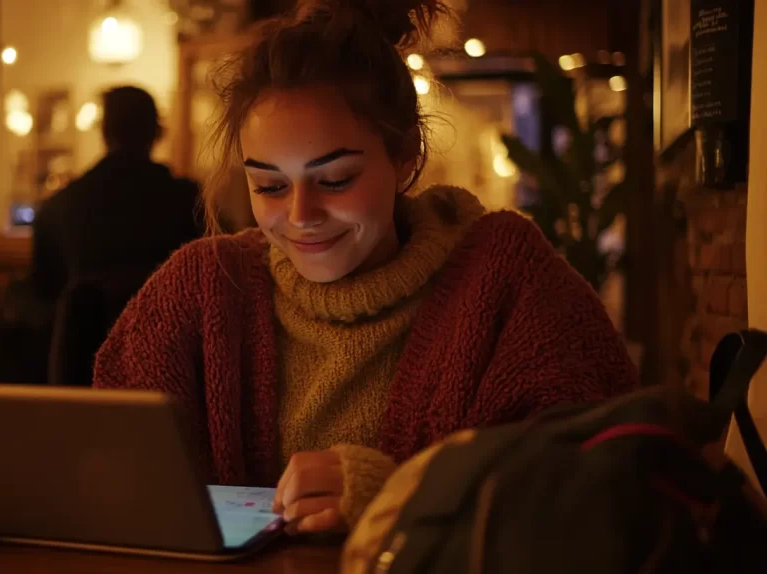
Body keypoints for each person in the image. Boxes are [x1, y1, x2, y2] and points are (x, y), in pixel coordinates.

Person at [93, 0, 638, 536]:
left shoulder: (509, 279)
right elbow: (102, 466)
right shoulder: (200, 287)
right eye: (271, 186)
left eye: (335, 180)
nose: (301, 217)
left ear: (405, 156)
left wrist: (401, 494)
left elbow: (605, 486)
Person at [29, 85, 202, 302]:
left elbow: (41, 297)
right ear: (157, 132)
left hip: (88, 335)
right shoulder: (188, 201)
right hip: (172, 333)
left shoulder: (60, 206)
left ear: (104, 131)